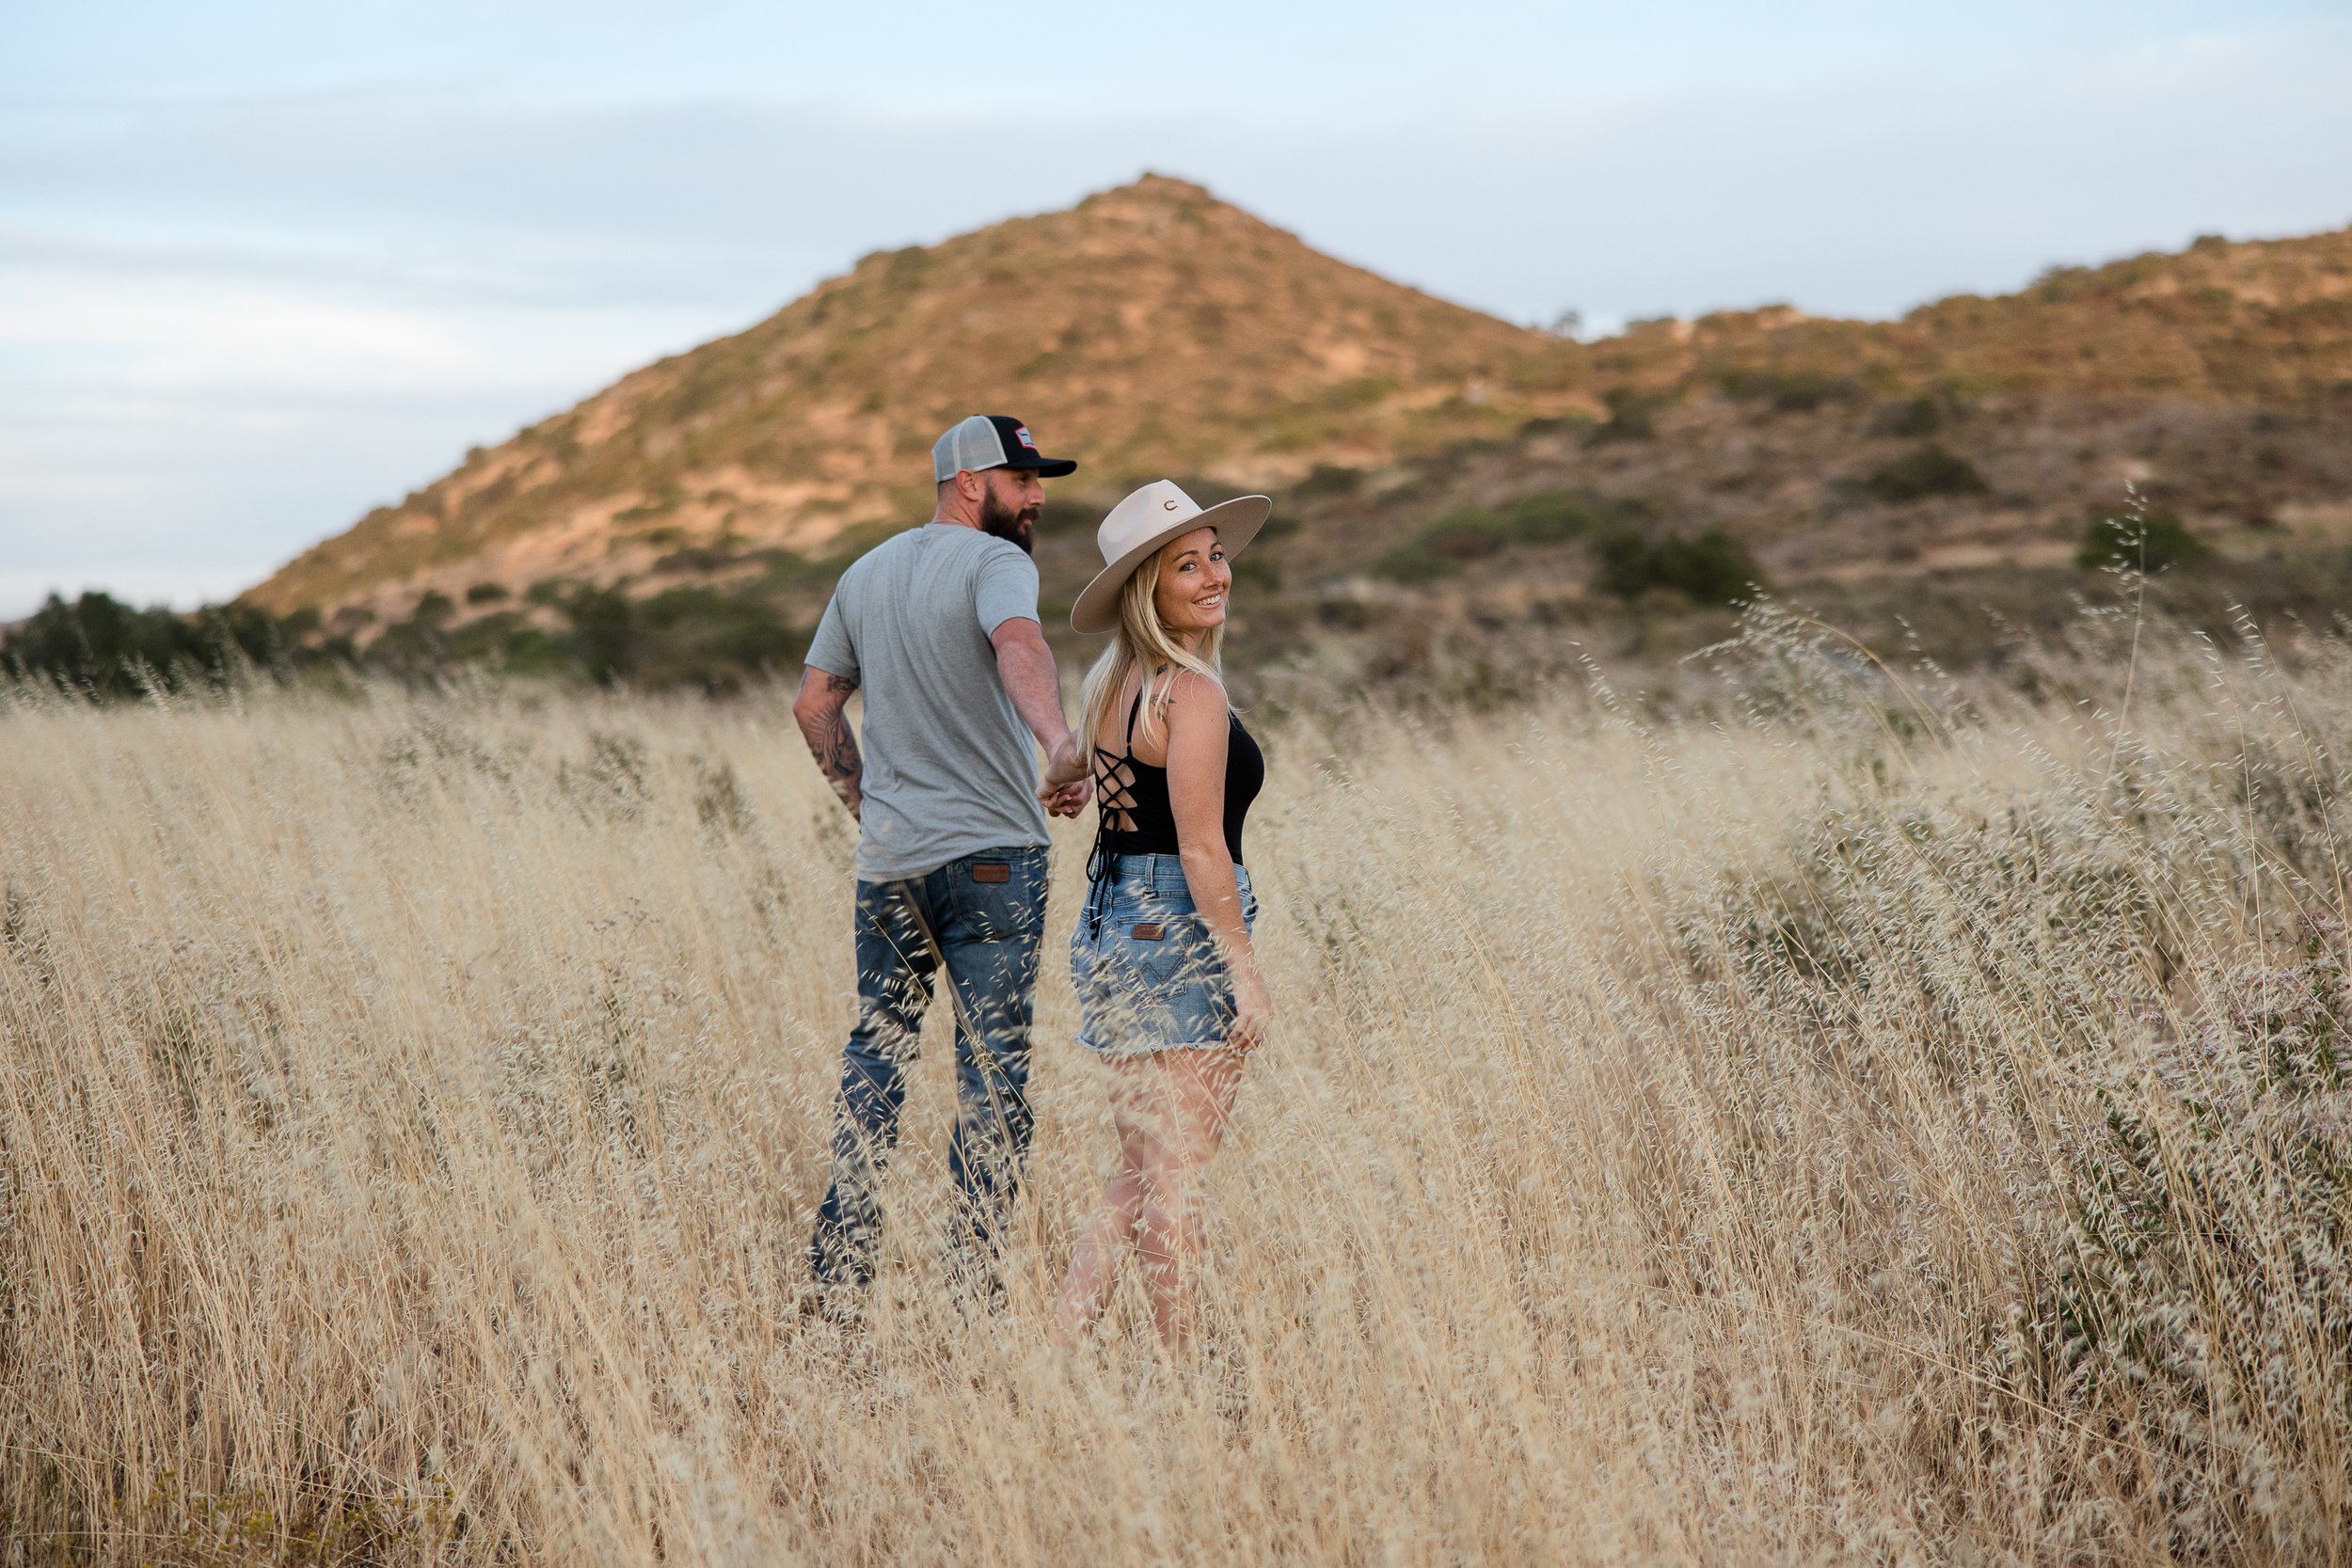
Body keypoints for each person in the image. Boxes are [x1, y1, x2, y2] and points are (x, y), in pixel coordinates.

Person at [795, 415, 1092, 1307]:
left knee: (875, 1063)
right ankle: (972, 1297)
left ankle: (837, 1283)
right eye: (1023, 478)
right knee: (994, 1073)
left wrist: (865, 805)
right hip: (994, 858)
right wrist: (1058, 742)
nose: (1038, 495)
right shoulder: (999, 563)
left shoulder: (864, 571)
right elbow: (1020, 643)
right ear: (970, 481)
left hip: (890, 864)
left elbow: (815, 704)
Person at [1050, 479, 1276, 1351]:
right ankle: (1185, 1371)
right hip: (1179, 929)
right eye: (1188, 564)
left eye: (1216, 554)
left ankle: (1059, 1350)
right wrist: (1244, 972)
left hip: (1111, 926)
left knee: (1141, 1173)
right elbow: (1200, 847)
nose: (1214, 573)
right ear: (1149, 588)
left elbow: (1077, 761)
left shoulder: (1114, 683)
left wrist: (1059, 782)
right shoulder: (1191, 693)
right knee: (1176, 1176)